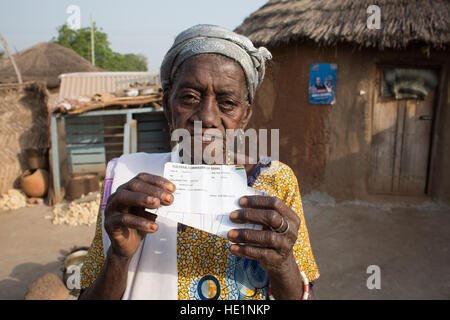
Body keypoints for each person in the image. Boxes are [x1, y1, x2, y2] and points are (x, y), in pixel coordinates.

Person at [79, 24, 319, 300]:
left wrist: (282, 264)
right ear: (167, 103)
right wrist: (119, 257)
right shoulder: (131, 183)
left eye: (227, 102)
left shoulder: (274, 182)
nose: (206, 116)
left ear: (245, 117)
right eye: (189, 97)